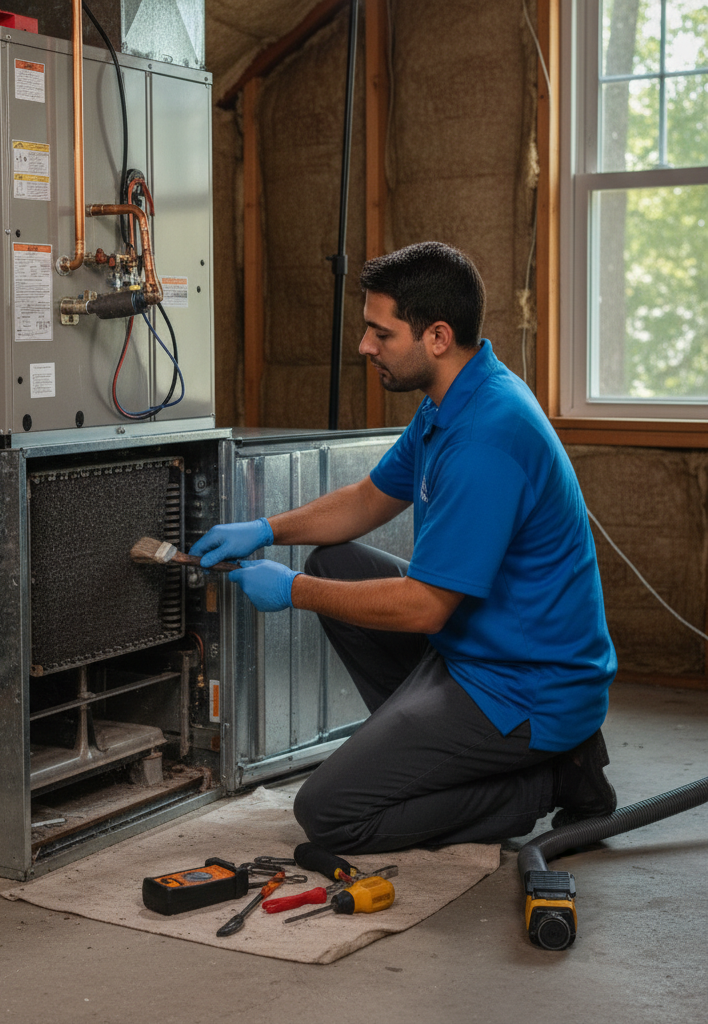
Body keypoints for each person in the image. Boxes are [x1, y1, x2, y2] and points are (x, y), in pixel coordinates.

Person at [190, 242, 617, 855]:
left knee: (330, 813)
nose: (364, 346)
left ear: (437, 336)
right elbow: (368, 499)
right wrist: (264, 529)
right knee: (333, 559)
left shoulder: (486, 439)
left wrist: (293, 592)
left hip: (526, 684)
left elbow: (424, 609)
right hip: (483, 646)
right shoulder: (452, 400)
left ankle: (545, 781)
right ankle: (436, 753)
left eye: (379, 332)